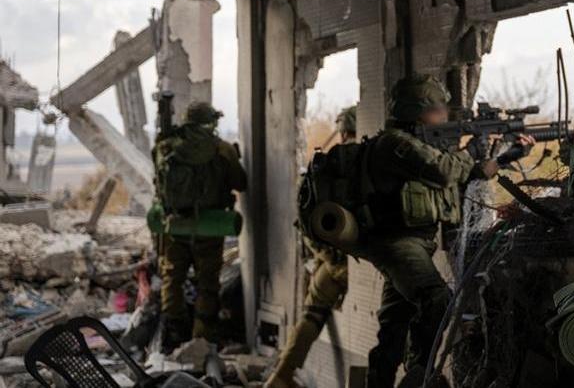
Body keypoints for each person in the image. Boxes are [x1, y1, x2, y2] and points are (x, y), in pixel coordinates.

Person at [365, 75, 533, 388]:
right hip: (398, 242)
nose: (445, 115)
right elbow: (443, 170)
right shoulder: (395, 144)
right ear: (416, 110)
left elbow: (464, 177)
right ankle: (420, 373)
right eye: (438, 108)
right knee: (437, 298)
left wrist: (504, 157)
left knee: (394, 325)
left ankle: (387, 380)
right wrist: (472, 151)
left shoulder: (423, 145)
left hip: (413, 243)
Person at [265, 106, 358, 388]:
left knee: (312, 314)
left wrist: (326, 256)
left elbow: (306, 219)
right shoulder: (369, 163)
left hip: (332, 262)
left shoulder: (325, 166)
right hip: (362, 262)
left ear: (342, 132)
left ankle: (282, 374)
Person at [153, 101, 248, 352]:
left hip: (176, 225)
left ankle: (174, 334)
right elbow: (241, 183)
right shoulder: (222, 149)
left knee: (172, 277)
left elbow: (158, 182)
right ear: (211, 122)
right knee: (208, 283)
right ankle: (201, 338)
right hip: (209, 225)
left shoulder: (166, 146)